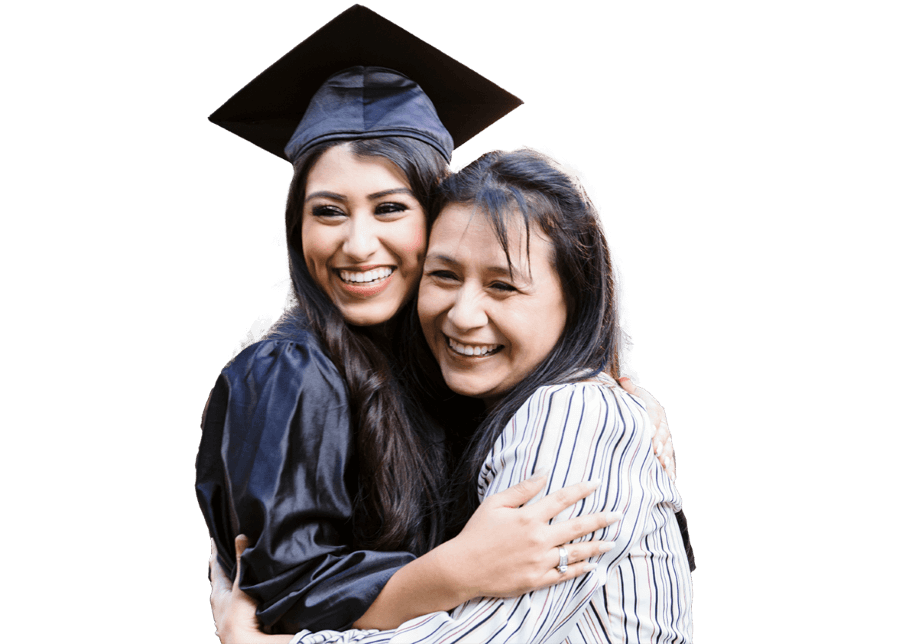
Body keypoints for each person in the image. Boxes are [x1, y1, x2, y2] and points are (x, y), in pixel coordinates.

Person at [197, 5, 677, 639]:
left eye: (390, 207)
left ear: (438, 218)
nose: (358, 245)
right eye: (329, 212)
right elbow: (281, 596)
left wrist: (629, 396)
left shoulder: (441, 362)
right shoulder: (291, 369)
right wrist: (455, 572)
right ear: (297, 224)